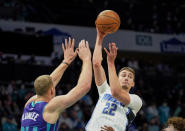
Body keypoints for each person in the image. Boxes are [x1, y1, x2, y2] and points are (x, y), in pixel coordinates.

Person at [21, 38, 92, 131]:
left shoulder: (29, 103)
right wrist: (87, 59)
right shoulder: (50, 107)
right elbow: (84, 87)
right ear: (52, 90)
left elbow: (49, 82)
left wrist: (66, 61)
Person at [85, 28, 142, 131]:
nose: (126, 78)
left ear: (133, 83)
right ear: (117, 78)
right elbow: (96, 64)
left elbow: (116, 92)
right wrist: (100, 38)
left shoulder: (136, 100)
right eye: (123, 75)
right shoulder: (104, 90)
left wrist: (110, 63)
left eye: (130, 77)